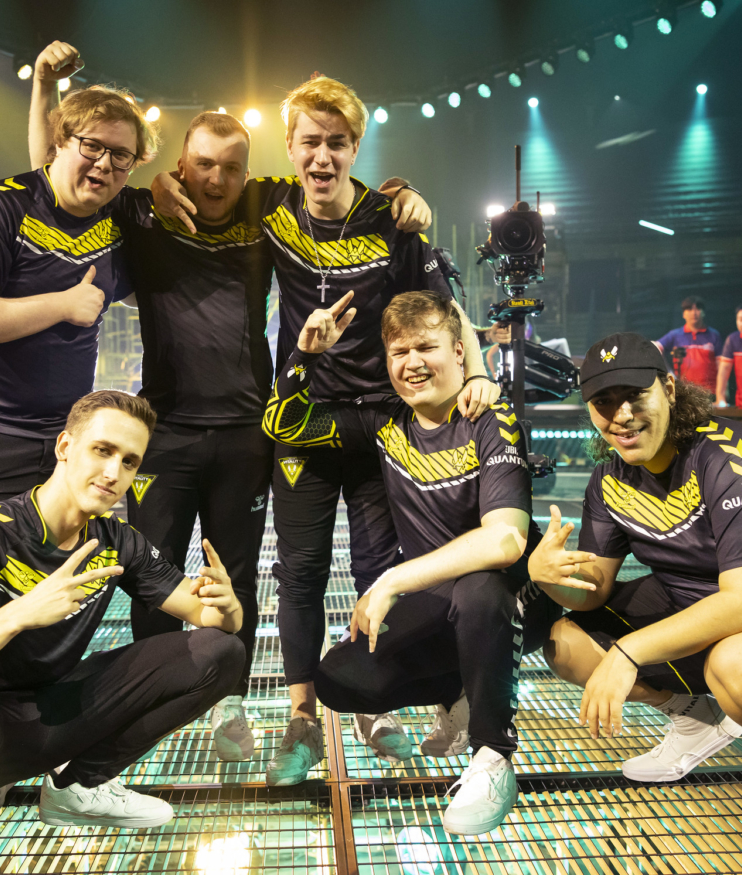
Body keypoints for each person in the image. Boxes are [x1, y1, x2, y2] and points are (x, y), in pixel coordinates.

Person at [26, 44, 432, 764]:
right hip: (166, 432)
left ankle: (231, 702)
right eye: (202, 165)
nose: (216, 179)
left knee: (237, 576)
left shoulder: (264, 205)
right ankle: (151, 710)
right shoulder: (143, 212)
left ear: (250, 172)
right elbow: (51, 182)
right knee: (149, 577)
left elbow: (338, 182)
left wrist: (402, 196)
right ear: (179, 166)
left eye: (231, 167)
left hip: (249, 430)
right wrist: (45, 92)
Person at [153, 74, 499, 787]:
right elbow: (202, 182)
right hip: (303, 419)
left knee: (377, 566)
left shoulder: (392, 219)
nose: (322, 156)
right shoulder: (268, 202)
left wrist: (478, 371)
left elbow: (446, 308)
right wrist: (162, 181)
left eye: (337, 143)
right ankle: (303, 716)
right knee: (301, 574)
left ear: (355, 147)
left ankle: (370, 703)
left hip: (379, 423)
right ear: (289, 146)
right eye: (309, 141)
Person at [529, 332, 742, 870]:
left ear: (669, 389)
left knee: (740, 668)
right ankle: (696, 721)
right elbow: (594, 588)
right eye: (603, 401)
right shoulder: (609, 478)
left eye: (634, 396)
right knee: (565, 643)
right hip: (696, 599)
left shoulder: (733, 456)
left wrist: (628, 653)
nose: (621, 415)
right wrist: (547, 574)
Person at [0, 390, 246, 875]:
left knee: (223, 652)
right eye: (102, 450)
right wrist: (18, 614)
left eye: (129, 461)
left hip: (54, 709)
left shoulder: (117, 541)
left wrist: (228, 607)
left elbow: (210, 620)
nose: (113, 473)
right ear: (64, 447)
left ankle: (77, 785)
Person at [264, 290, 552, 835]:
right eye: (399, 352)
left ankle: (493, 756)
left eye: (427, 347)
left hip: (519, 600)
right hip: (442, 603)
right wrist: (305, 357)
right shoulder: (385, 420)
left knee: (479, 589)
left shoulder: (491, 416)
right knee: (340, 678)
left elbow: (506, 541)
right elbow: (283, 424)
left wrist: (392, 579)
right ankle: (458, 690)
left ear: (459, 352)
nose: (413, 363)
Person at [0, 57, 158, 528]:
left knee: (64, 565)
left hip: (68, 439)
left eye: (122, 155)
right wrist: (63, 305)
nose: (105, 163)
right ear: (61, 141)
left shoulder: (120, 216)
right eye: (92, 146)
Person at [655, 296, 722, 395]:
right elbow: (655, 347)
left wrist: (722, 393)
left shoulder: (714, 335)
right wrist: (670, 373)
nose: (694, 313)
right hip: (684, 393)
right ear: (683, 314)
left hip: (709, 392)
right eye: (689, 309)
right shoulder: (674, 335)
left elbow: (722, 367)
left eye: (698, 308)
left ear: (703, 312)